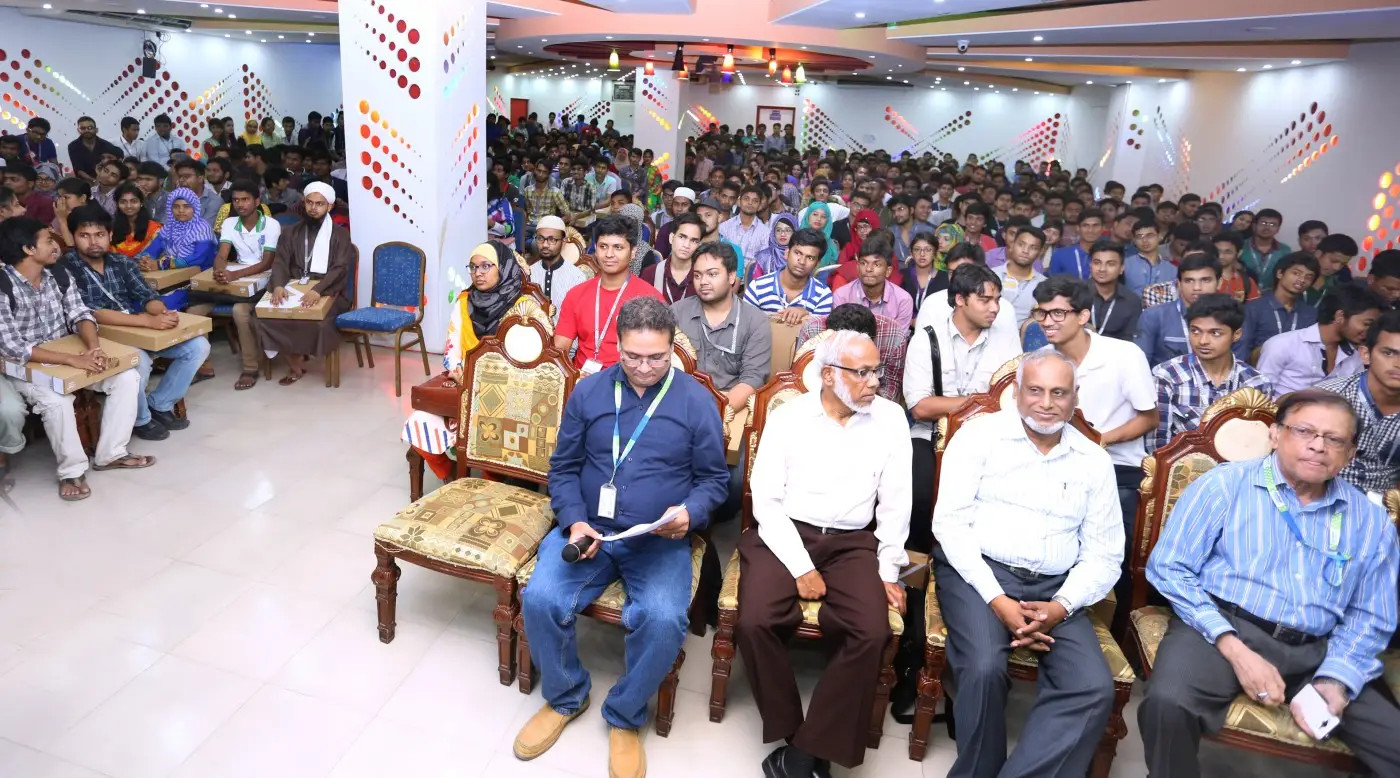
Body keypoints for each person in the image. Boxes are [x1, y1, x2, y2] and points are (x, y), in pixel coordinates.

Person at [514, 298, 727, 778]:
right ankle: (565, 696)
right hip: (591, 530)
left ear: (673, 347)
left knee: (664, 618)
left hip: (656, 538)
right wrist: (574, 521)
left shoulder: (696, 402)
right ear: (617, 346)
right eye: (633, 356)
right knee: (541, 597)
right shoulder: (589, 392)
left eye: (657, 357)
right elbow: (563, 468)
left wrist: (690, 513)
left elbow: (714, 481)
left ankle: (626, 715)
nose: (645, 367)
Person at [1140, 390, 1400, 777]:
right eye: (1305, 431)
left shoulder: (1371, 522)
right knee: (1168, 703)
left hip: (1319, 648)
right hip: (1224, 629)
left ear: (1350, 454)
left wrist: (1337, 680)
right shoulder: (1226, 485)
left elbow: (1372, 615)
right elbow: (1169, 567)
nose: (1318, 446)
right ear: (1275, 434)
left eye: (1334, 439)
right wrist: (1235, 649)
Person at [932, 349, 1122, 778]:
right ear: (1016, 392)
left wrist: (1061, 606)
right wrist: (998, 600)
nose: (1046, 403)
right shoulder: (979, 437)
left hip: (1056, 589)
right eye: (1035, 391)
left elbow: (1105, 553)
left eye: (1059, 393)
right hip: (979, 573)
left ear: (1075, 397)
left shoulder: (1094, 461)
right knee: (983, 668)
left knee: (1092, 688)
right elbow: (950, 525)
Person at [738, 329, 911, 776]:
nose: (875, 382)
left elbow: (897, 503)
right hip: (784, 532)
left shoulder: (890, 419)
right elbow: (766, 502)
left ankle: (802, 753)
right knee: (755, 620)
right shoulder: (789, 417)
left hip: (852, 542)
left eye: (877, 371)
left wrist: (888, 570)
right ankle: (793, 732)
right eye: (862, 372)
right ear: (829, 375)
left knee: (871, 632)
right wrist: (801, 567)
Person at [0, 216, 154, 501]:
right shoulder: (3, 285)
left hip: (69, 355)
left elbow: (79, 313)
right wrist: (72, 360)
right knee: (56, 401)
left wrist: (93, 347)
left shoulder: (58, 274)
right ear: (28, 249)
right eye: (48, 240)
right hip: (27, 365)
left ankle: (111, 453)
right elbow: (12, 347)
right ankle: (72, 472)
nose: (57, 245)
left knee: (127, 377)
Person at [61, 205, 210, 441]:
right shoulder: (66, 268)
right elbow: (92, 313)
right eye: (84, 235)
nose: (93, 242)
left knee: (198, 346)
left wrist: (161, 312)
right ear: (73, 237)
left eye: (99, 235)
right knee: (138, 361)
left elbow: (146, 295)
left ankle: (159, 404)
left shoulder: (121, 261)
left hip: (135, 328)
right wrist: (147, 322)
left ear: (110, 235)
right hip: (97, 335)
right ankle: (141, 418)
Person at [903, 263, 1021, 552]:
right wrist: (982, 402)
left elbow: (1012, 401)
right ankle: (919, 561)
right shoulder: (927, 338)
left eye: (997, 300)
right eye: (985, 300)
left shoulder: (1006, 342)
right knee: (918, 493)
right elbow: (920, 407)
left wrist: (972, 407)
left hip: (988, 437)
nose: (995, 308)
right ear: (960, 299)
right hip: (931, 433)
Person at [1034, 277, 1157, 546]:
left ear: (1082, 316)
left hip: (1118, 467)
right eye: (1041, 313)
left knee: (1112, 545)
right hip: (1056, 467)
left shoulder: (1124, 354)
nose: (1047, 321)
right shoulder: (1040, 359)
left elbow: (1149, 418)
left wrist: (1099, 440)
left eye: (1058, 313)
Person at [403, 240, 537, 480]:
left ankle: (490, 482)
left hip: (507, 388)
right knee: (418, 424)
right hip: (464, 382)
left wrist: (491, 382)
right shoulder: (464, 301)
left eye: (486, 266)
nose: (478, 273)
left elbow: (527, 359)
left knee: (494, 433)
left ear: (502, 267)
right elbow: (452, 347)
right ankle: (451, 475)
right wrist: (458, 372)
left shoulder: (523, 307)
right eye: (473, 267)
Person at [255, 183, 354, 385]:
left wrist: (318, 290)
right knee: (270, 318)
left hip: (330, 290)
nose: (313, 208)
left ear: (330, 206)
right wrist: (279, 286)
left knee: (317, 322)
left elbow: (340, 268)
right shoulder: (290, 232)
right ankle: (295, 366)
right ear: (304, 203)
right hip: (294, 286)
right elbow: (281, 262)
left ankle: (302, 354)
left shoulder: (340, 234)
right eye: (309, 202)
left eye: (319, 204)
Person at [186, 179, 279, 390]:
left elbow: (267, 262)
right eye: (236, 200)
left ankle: (250, 368)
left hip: (263, 278)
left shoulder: (271, 224)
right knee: (193, 312)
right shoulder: (229, 223)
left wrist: (234, 275)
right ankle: (202, 367)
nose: (240, 204)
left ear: (257, 201)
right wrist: (220, 270)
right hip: (234, 278)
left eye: (245, 199)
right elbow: (222, 254)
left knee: (240, 311)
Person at [1150, 294, 1273, 451]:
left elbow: (1260, 444)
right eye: (1195, 331)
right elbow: (1158, 445)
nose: (1203, 341)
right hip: (1181, 465)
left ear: (1236, 334)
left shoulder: (1256, 383)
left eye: (1215, 333)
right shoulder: (1168, 376)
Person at [554, 214, 664, 375]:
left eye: (618, 247)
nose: (609, 254)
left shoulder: (651, 299)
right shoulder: (576, 295)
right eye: (603, 246)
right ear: (595, 249)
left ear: (633, 252)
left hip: (630, 381)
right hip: (583, 380)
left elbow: (658, 358)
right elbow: (560, 350)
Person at [671, 241, 771, 413]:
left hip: (732, 405)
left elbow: (752, 379)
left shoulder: (755, 321)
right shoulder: (676, 313)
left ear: (731, 277)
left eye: (712, 274)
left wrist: (714, 413)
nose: (703, 282)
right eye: (697, 275)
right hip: (681, 401)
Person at [1316, 309, 1400, 495]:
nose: (1398, 364)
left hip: (1390, 504)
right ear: (1365, 354)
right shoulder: (1329, 397)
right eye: (1389, 353)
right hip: (1326, 496)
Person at [1257, 283, 1382, 398]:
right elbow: (1259, 396)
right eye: (1367, 324)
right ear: (1340, 316)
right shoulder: (1282, 344)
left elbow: (1356, 396)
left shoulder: (1356, 355)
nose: (1371, 330)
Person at [1135, 253, 1222, 367]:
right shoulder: (1154, 316)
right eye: (1189, 281)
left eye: (1205, 280)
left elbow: (1236, 365)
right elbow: (1139, 366)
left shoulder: (1231, 317)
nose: (1197, 287)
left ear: (1219, 283)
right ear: (1178, 284)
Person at [1237, 251, 1320, 360]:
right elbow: (1242, 348)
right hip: (1258, 367)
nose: (1302, 280)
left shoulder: (1311, 314)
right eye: (1296, 273)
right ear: (1280, 273)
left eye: (1308, 277)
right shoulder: (1254, 308)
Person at [743, 227, 833, 325]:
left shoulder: (823, 295)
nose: (802, 261)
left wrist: (806, 315)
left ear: (817, 263)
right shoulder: (757, 287)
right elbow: (745, 326)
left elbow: (818, 333)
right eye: (797, 253)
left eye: (810, 258)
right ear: (786, 253)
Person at [830, 229, 915, 330]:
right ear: (857, 267)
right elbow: (840, 335)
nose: (868, 269)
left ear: (888, 271)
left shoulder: (902, 300)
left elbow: (898, 338)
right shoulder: (842, 296)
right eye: (864, 263)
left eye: (877, 264)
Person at [137, 188, 218, 272]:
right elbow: (153, 249)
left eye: (186, 206)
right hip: (173, 272)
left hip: (200, 273)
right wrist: (145, 261)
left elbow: (199, 258)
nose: (181, 210)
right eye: (176, 207)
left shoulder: (202, 228)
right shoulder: (169, 227)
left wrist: (161, 264)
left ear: (194, 208)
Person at [527, 215, 587, 320]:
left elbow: (580, 318)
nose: (545, 245)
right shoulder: (529, 273)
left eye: (552, 239)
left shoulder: (576, 277)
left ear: (563, 242)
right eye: (540, 238)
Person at [992, 224, 1048, 326]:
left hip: (1025, 335)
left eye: (1033, 248)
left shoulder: (1044, 284)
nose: (1025, 251)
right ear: (1012, 245)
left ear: (1040, 252)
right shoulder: (991, 275)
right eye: (1021, 245)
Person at [639, 211, 701, 303]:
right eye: (682, 237)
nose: (686, 245)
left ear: (699, 245)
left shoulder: (703, 277)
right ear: (671, 238)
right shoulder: (650, 273)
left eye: (694, 241)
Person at [1087, 239, 1141, 341]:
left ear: (1121, 269)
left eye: (1110, 264)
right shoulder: (1074, 294)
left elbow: (1130, 343)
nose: (1102, 269)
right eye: (1097, 263)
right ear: (1090, 265)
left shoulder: (1132, 301)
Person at [719, 184, 771, 269]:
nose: (750, 203)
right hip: (726, 272)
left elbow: (763, 263)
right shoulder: (724, 227)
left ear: (759, 206)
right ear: (738, 202)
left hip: (751, 275)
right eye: (746, 199)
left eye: (755, 201)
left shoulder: (765, 233)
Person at [1123, 218, 1177, 295]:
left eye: (1149, 236)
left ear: (1159, 236)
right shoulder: (1124, 265)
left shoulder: (1172, 270)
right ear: (1134, 240)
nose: (1144, 240)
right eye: (1139, 237)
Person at [1303, 233, 1358, 306]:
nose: (1337, 268)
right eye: (1333, 261)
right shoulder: (1294, 279)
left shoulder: (1338, 287)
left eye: (1343, 264)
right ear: (1318, 254)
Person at [1048, 208, 1104, 279]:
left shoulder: (1111, 255)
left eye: (1095, 226)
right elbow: (1052, 283)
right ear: (1078, 228)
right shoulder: (1059, 255)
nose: (1090, 230)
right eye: (1085, 225)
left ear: (1103, 228)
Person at [1241, 208, 1291, 287]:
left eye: (1272, 225)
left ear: (1278, 229)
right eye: (1263, 223)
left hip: (1273, 293)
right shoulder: (1240, 246)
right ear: (1254, 226)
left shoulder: (1285, 250)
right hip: (1242, 291)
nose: (1267, 227)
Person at [110, 183, 161, 259]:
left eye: (133, 201)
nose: (128, 206)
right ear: (117, 204)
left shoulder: (154, 229)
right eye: (123, 202)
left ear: (141, 203)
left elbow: (153, 256)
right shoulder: (110, 231)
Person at [66, 117, 122, 183]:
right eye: (83, 128)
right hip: (84, 183)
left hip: (106, 181)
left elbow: (119, 157)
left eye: (90, 128)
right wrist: (94, 181)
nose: (87, 130)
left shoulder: (106, 145)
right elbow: (78, 170)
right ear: (78, 130)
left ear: (96, 130)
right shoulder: (73, 146)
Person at [171, 159, 224, 229]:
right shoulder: (174, 198)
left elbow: (203, 229)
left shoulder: (214, 201)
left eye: (186, 176)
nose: (181, 180)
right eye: (180, 177)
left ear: (200, 178)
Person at [900, 232, 942, 317]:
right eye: (917, 249)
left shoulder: (945, 278)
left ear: (935, 254)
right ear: (911, 253)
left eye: (927, 250)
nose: (922, 254)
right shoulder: (902, 276)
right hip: (905, 324)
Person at [1212, 231, 1259, 302]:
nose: (1221, 256)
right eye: (1217, 251)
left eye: (1228, 252)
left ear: (1239, 253)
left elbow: (1254, 307)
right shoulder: (1205, 279)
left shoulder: (1247, 281)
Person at [751, 212, 795, 280]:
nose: (782, 234)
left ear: (794, 232)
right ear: (773, 233)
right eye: (778, 230)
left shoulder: (799, 256)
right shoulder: (764, 256)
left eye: (788, 230)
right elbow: (756, 283)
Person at [799, 201, 840, 270]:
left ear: (827, 221)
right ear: (808, 215)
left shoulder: (831, 245)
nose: (818, 219)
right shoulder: (797, 239)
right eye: (815, 214)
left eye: (823, 217)